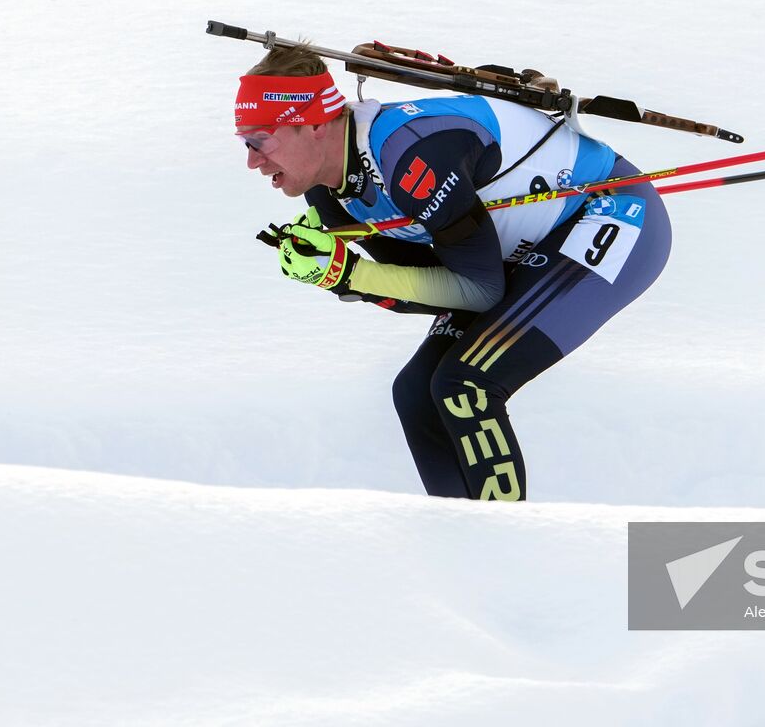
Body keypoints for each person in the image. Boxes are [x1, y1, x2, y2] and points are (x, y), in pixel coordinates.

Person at [236, 42, 672, 501]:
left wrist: (350, 276)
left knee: (467, 384)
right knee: (416, 392)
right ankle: (461, 544)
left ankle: (512, 545)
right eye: (246, 142)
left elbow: (478, 291)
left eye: (260, 139)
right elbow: (431, 283)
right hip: (518, 250)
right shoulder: (329, 193)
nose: (251, 159)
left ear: (315, 125)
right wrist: (345, 275)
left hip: (608, 212)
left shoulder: (409, 155)